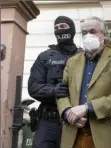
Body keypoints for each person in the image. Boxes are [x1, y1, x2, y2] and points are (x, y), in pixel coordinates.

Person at [56, 16, 111, 148]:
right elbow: (62, 92)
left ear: (104, 35)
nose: (88, 36)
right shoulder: (72, 62)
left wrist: (87, 107)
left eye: (93, 31)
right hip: (74, 135)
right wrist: (67, 112)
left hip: (106, 137)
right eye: (85, 33)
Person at [28, 16, 82, 148]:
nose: (59, 30)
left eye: (63, 26)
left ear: (72, 30)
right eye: (56, 28)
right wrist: (53, 91)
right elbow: (33, 87)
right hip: (49, 120)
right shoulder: (45, 57)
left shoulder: (83, 56)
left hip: (75, 119)